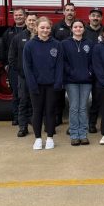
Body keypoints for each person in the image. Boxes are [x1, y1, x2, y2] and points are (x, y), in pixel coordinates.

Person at [22, 16, 63, 150]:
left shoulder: (56, 45)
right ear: (36, 28)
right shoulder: (29, 45)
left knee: (50, 112)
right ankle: (38, 138)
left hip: (52, 85)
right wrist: (32, 85)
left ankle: (50, 137)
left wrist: (58, 83)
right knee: (37, 112)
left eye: (47, 28)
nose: (45, 30)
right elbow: (27, 67)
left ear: (51, 29)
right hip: (36, 86)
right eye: (42, 27)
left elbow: (59, 66)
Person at [62, 19, 93, 146]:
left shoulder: (90, 43)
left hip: (86, 81)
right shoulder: (64, 44)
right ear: (72, 29)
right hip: (71, 81)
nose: (78, 29)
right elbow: (63, 62)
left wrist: (89, 72)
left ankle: (83, 134)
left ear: (84, 29)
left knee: (83, 107)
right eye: (75, 27)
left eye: (80, 27)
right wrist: (71, 73)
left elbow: (93, 61)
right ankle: (74, 134)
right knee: (74, 107)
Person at [8, 12, 37, 137]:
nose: (31, 22)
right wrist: (20, 71)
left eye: (34, 20)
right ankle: (22, 127)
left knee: (37, 102)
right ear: (26, 22)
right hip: (24, 77)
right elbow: (11, 57)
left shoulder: (42, 37)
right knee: (23, 101)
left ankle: (36, 124)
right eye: (29, 20)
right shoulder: (18, 38)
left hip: (38, 78)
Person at [1, 8, 27, 126]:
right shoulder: (9, 32)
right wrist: (5, 64)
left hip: (28, 68)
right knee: (16, 93)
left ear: (25, 16)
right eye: (16, 15)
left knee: (28, 93)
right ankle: (16, 117)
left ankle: (28, 116)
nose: (18, 17)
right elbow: (3, 50)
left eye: (20, 15)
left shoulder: (30, 31)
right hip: (14, 69)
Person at [53, 2, 76, 127]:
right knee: (59, 90)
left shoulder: (79, 26)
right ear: (64, 12)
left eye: (72, 10)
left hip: (74, 63)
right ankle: (58, 115)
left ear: (75, 12)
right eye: (67, 10)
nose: (70, 12)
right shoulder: (57, 27)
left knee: (73, 91)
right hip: (60, 63)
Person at [84, 7, 104, 133]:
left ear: (101, 18)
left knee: (97, 100)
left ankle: (92, 123)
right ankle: (78, 124)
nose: (95, 18)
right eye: (93, 15)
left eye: (98, 16)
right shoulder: (83, 31)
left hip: (100, 73)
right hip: (86, 71)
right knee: (82, 101)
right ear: (89, 17)